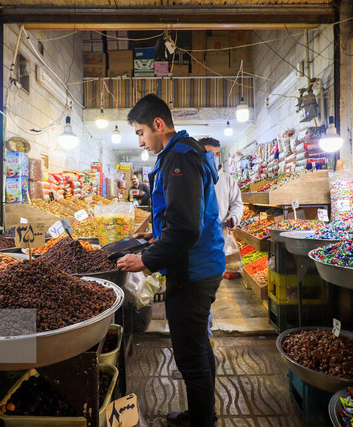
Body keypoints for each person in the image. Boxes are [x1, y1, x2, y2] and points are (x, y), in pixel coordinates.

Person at [116, 94, 225, 427]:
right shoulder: (182, 154)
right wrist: (155, 237)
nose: (140, 140)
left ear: (158, 125)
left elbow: (187, 228)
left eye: (140, 132)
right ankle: (204, 413)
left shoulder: (179, 159)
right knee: (198, 346)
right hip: (200, 264)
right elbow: (182, 218)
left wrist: (146, 261)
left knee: (190, 356)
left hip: (193, 271)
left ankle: (201, 422)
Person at [199, 137, 244, 344]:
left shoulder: (226, 179)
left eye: (216, 154)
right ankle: (205, 334)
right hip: (197, 243)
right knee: (201, 290)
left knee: (209, 288)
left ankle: (205, 332)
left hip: (219, 240)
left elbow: (237, 203)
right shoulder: (194, 177)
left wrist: (233, 217)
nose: (213, 158)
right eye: (209, 154)